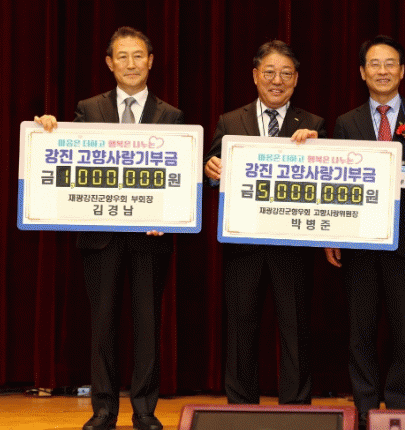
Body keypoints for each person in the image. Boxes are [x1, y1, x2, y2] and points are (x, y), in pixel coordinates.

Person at [35, 26, 183, 430]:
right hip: (100, 238)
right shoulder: (88, 109)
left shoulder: (171, 115)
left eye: (138, 56)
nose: (131, 64)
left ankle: (145, 410)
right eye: (122, 56)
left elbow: (176, 176)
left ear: (151, 61)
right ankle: (103, 410)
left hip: (151, 238)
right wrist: (47, 131)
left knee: (147, 326)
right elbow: (69, 155)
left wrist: (169, 215)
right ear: (109, 63)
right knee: (103, 325)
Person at [323, 35, 405, 429]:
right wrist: (333, 235)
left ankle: (398, 411)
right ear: (362, 72)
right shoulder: (347, 122)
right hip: (360, 242)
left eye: (390, 63)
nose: (383, 70)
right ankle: (365, 410)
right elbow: (338, 182)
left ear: (402, 71)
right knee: (361, 331)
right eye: (374, 64)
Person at [204, 40, 326, 405]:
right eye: (270, 72)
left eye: (286, 73)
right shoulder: (230, 121)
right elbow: (213, 171)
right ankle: (240, 407)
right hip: (244, 244)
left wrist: (318, 149)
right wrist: (211, 171)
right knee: (240, 329)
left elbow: (326, 185)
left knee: (295, 329)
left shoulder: (313, 124)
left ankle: (297, 407)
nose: (277, 80)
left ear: (296, 79)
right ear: (255, 75)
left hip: (293, 246)